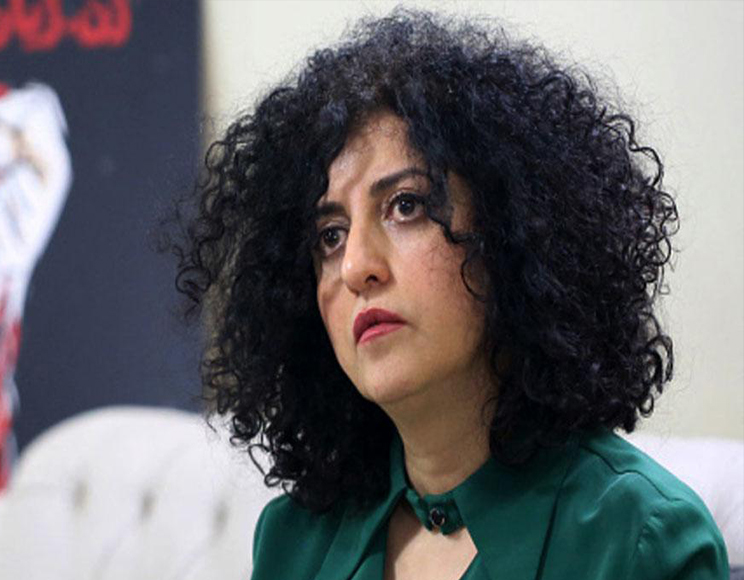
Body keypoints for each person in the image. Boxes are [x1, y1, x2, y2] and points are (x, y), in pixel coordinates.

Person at [169, 9, 730, 580]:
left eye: (406, 205)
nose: (356, 267)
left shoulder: (640, 537)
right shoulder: (294, 541)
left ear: (512, 233)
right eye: (330, 236)